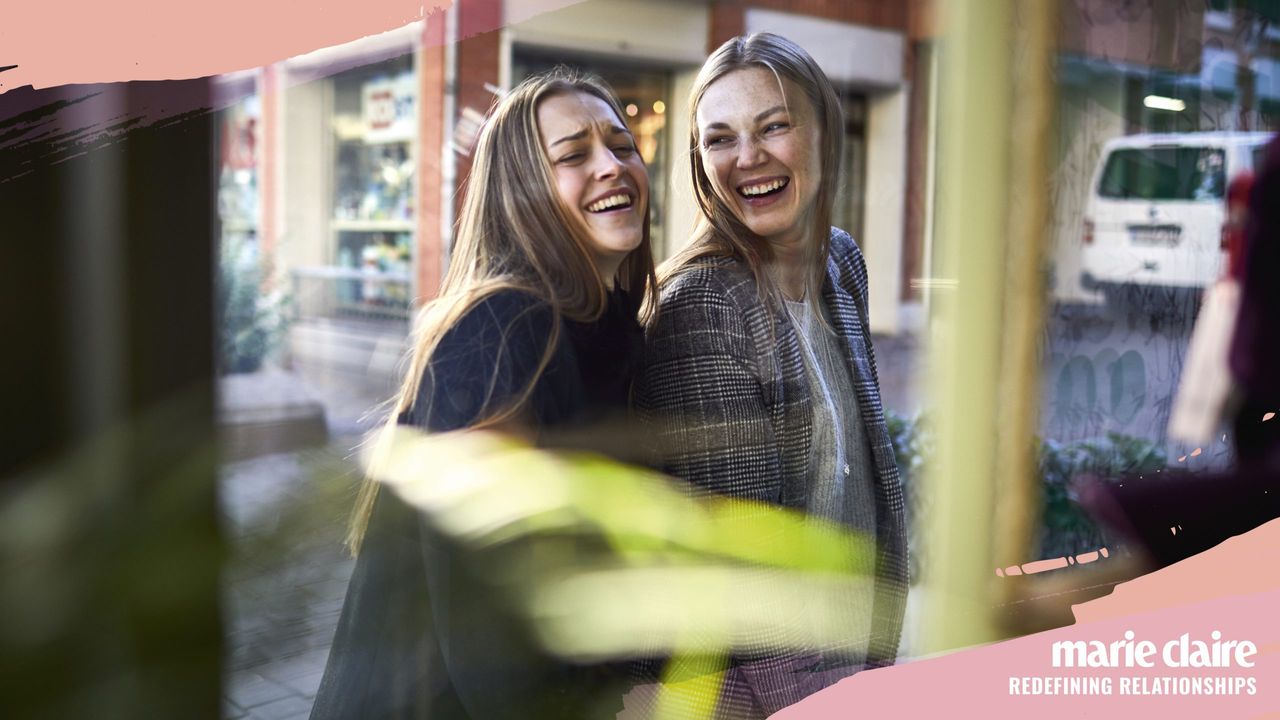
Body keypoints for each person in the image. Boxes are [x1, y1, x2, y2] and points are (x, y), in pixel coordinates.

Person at [310, 67, 656, 720]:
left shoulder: (615, 330)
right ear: (522, 192)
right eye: (573, 156)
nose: (611, 166)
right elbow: (490, 622)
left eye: (622, 145)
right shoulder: (503, 325)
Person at [635, 33, 908, 717]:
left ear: (823, 131)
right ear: (699, 164)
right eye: (719, 139)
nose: (748, 158)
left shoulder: (841, 264)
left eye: (774, 125)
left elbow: (862, 479)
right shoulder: (703, 304)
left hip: (854, 654)